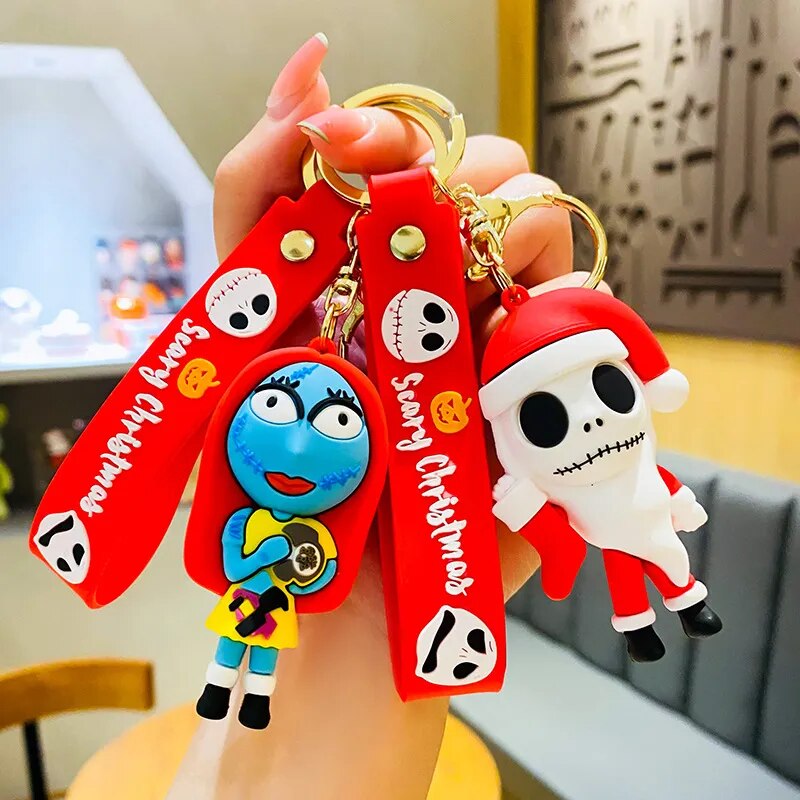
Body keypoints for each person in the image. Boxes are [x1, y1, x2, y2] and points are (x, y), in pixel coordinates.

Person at [169, 31, 583, 800]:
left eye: (326, 426)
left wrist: (386, 600)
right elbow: (238, 540)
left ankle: (250, 684)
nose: (299, 448)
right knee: (240, 651)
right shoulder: (265, 496)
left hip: (340, 574)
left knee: (249, 649)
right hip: (269, 589)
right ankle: (241, 684)